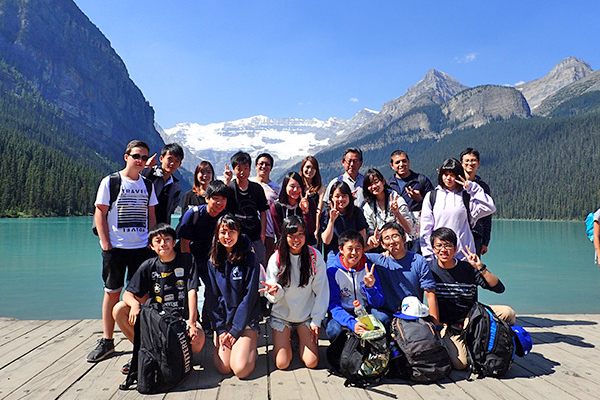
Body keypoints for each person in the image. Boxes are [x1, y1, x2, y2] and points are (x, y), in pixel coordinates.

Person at [87, 140, 157, 363]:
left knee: (140, 296)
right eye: (137, 156)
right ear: (126, 156)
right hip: (116, 248)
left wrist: (152, 240)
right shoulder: (111, 181)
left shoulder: (147, 184)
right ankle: (108, 341)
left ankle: (142, 339)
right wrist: (106, 244)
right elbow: (100, 212)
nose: (140, 161)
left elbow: (151, 214)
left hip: (141, 249)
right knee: (112, 292)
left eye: (144, 158)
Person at [112, 223, 205, 373]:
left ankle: (177, 355)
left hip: (182, 320)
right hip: (157, 321)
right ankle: (145, 352)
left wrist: (193, 323)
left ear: (174, 242)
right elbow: (127, 294)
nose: (163, 244)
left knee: (198, 341)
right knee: (119, 309)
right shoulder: (148, 265)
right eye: (158, 241)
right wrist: (135, 305)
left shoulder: (187, 260)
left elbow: (192, 291)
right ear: (151, 246)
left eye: (167, 239)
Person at [428, 227, 515, 369]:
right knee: (460, 364)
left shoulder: (467, 268)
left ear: (455, 248)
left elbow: (499, 288)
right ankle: (471, 346)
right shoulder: (429, 269)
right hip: (450, 326)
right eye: (439, 246)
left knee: (508, 313)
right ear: (433, 249)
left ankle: (504, 346)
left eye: (448, 245)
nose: (443, 250)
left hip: (474, 319)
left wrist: (480, 267)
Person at [260, 216, 329, 369]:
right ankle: (285, 340)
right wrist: (275, 291)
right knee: (282, 363)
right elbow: (271, 295)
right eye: (291, 235)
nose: (296, 239)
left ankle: (298, 337)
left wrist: (317, 320)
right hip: (282, 316)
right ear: (284, 236)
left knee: (312, 362)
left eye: (300, 234)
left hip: (305, 316)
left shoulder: (314, 256)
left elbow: (322, 291)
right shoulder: (276, 258)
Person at [204, 214, 261, 379]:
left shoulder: (250, 258)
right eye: (223, 232)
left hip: (246, 319)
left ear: (238, 232)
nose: (227, 237)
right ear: (217, 234)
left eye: (231, 232)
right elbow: (212, 297)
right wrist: (221, 329)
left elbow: (250, 297)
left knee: (240, 370)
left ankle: (250, 347)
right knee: (223, 367)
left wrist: (236, 330)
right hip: (225, 320)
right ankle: (237, 346)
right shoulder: (213, 261)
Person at [420, 158, 496, 262]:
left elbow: (490, 207)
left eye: (452, 174)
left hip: (464, 256)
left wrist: (473, 188)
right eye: (445, 174)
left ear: (459, 175)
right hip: (440, 255)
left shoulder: (467, 197)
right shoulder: (432, 196)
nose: (448, 178)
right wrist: (429, 256)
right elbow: (426, 229)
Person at [365, 222, 438, 327]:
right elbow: (349, 256)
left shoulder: (418, 260)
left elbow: (430, 293)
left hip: (414, 315)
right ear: (383, 244)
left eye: (395, 236)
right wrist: (369, 246)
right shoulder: (379, 261)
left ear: (404, 239)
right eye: (387, 238)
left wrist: (434, 324)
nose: (391, 241)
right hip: (389, 315)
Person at [178, 180, 229, 329]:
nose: (219, 203)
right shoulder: (193, 214)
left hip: (212, 260)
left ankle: (208, 322)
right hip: (191, 257)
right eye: (216, 198)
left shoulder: (226, 217)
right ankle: (189, 321)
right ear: (207, 198)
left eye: (223, 199)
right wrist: (188, 264)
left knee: (214, 290)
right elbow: (184, 242)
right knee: (189, 290)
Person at [325, 230, 384, 341]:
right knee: (333, 330)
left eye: (358, 249)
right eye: (350, 248)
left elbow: (379, 303)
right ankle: (342, 356)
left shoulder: (368, 269)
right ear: (341, 249)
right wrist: (351, 323)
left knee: (383, 318)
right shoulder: (332, 272)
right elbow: (334, 305)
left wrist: (370, 288)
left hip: (365, 310)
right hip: (344, 311)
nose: (354, 253)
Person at [224, 151, 269, 267]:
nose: (242, 172)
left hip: (255, 235)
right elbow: (223, 208)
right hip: (235, 237)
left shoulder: (257, 189)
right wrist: (226, 182)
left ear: (250, 169)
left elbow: (263, 212)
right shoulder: (230, 189)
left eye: (246, 168)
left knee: (259, 265)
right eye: (239, 169)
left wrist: (262, 234)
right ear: (234, 169)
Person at [388, 150, 434, 253]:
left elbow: (434, 204)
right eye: (397, 162)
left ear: (409, 162)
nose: (401, 165)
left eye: (404, 161)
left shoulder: (421, 180)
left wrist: (421, 200)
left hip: (419, 230)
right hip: (398, 229)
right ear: (392, 165)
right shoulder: (390, 184)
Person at [362, 168, 415, 250]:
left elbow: (409, 229)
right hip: (381, 247)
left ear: (383, 181)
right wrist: (374, 238)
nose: (374, 186)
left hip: (401, 245)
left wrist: (397, 213)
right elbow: (370, 231)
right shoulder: (368, 207)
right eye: (370, 184)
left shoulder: (397, 199)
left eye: (376, 182)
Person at [320, 181, 368, 260]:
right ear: (332, 197)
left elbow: (362, 239)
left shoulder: (356, 212)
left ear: (349, 196)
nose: (341, 199)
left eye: (344, 196)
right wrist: (331, 220)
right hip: (335, 252)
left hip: (354, 251)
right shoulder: (326, 215)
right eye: (337, 196)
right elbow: (326, 240)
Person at [460, 148, 492, 256]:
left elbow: (487, 216)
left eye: (473, 160)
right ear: (461, 163)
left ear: (478, 163)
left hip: (476, 234)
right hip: (457, 231)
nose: (470, 163)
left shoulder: (483, 187)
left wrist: (485, 242)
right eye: (467, 160)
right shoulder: (456, 184)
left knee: (474, 268)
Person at [141, 143, 184, 225]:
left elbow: (170, 212)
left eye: (176, 161)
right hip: (142, 225)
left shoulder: (176, 188)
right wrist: (145, 167)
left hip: (160, 228)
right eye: (169, 159)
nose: (172, 164)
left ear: (179, 164)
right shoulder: (149, 174)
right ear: (161, 159)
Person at [271, 171, 318, 246]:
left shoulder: (309, 202)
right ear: (285, 186)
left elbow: (311, 230)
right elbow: (279, 233)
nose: (296, 190)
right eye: (292, 186)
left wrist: (306, 212)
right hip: (286, 246)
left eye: (299, 187)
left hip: (307, 245)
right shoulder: (277, 206)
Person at [250, 153, 281, 261]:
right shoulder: (248, 184)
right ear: (255, 166)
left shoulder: (276, 189)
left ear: (271, 168)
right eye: (261, 164)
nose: (264, 166)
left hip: (268, 233)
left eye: (267, 164)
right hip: (249, 231)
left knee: (265, 265)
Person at [300, 156, 326, 240]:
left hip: (313, 224)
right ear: (302, 168)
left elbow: (319, 211)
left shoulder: (320, 188)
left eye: (313, 168)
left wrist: (316, 229)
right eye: (307, 167)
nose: (310, 170)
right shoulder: (298, 186)